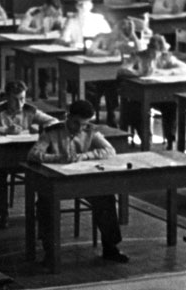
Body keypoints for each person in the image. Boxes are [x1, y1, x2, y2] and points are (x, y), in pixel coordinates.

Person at [28, 98, 127, 264]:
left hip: (81, 179)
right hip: (56, 180)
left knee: (106, 198)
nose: (80, 128)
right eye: (76, 123)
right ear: (68, 116)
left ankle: (110, 248)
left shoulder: (90, 130)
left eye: (84, 124)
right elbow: (33, 154)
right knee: (45, 204)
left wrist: (84, 156)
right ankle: (49, 251)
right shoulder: (52, 131)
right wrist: (57, 158)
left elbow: (110, 150)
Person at [0, 80, 59, 228]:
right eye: (15, 99)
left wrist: (41, 129)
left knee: (44, 174)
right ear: (7, 98)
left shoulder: (29, 109)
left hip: (25, 154)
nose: (20, 103)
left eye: (22, 98)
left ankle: (40, 210)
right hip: (2, 155)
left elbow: (54, 121)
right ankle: (4, 214)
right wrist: (5, 130)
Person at [117, 35, 186, 147]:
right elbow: (122, 69)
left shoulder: (166, 57)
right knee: (138, 108)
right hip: (137, 93)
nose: (155, 55)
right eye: (152, 50)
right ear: (148, 47)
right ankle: (146, 139)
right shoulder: (138, 56)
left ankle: (170, 139)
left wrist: (165, 72)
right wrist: (138, 73)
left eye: (158, 51)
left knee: (171, 105)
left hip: (157, 94)